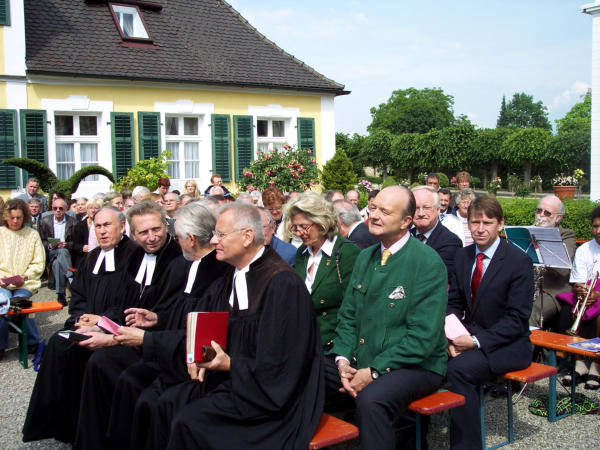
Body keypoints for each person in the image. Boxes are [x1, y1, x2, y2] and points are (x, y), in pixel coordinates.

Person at [150, 202, 324, 449]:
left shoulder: (282, 283)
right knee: (164, 404)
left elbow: (282, 365)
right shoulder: (232, 273)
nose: (213, 241)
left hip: (270, 398)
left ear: (247, 236)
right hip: (233, 381)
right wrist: (199, 354)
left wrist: (231, 364)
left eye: (221, 235)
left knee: (188, 422)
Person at [75, 203, 227, 450]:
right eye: (143, 232)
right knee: (106, 367)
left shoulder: (215, 271)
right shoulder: (183, 263)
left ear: (189, 239)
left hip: (182, 356)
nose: (154, 237)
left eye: (163, 231)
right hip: (164, 341)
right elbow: (173, 310)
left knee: (133, 382)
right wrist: (157, 318)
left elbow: (202, 331)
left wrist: (138, 338)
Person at [329, 186, 448, 449]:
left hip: (415, 365)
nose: (374, 215)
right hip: (362, 358)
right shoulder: (365, 257)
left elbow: (422, 339)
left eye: (385, 211)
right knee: (305, 373)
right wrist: (343, 360)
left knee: (372, 400)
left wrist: (373, 371)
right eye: (373, 208)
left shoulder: (427, 262)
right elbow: (348, 316)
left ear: (406, 221)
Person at [23, 207, 139, 444]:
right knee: (57, 343)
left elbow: (130, 301)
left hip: (113, 329)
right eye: (98, 226)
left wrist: (100, 323)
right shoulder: (91, 258)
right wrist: (79, 318)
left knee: (87, 354)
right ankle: (63, 425)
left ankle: (89, 432)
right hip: (86, 325)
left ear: (122, 227)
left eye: (107, 225)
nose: (102, 231)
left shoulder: (135, 256)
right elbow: (78, 295)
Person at [446, 196, 533, 450]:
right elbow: (453, 303)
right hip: (468, 337)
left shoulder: (519, 262)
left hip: (507, 344)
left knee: (459, 370)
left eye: (487, 222)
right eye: (475, 222)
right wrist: (451, 338)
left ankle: (466, 446)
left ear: (500, 224)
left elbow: (517, 319)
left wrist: (474, 342)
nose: (480, 229)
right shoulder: (462, 256)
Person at [284, 193, 360, 347]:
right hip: (304, 341)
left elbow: (353, 308)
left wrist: (343, 352)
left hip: (332, 345)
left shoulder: (347, 253)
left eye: (304, 226)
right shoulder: (302, 252)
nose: (298, 233)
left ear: (321, 222)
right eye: (295, 227)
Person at [557, 206, 600, 389]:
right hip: (588, 296)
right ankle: (579, 362)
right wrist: (580, 290)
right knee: (568, 311)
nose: (598, 231)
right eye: (595, 226)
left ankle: (597, 365)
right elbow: (578, 281)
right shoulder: (584, 249)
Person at [0, 199, 45, 360]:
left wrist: (24, 276)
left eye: (18, 217)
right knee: (2, 305)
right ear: (6, 216)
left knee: (22, 304)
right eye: (12, 217)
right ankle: (1, 345)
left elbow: (39, 262)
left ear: (24, 216)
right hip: (2, 283)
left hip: (25, 282)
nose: (15, 221)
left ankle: (31, 342)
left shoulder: (32, 234)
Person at [529, 195, 576, 329]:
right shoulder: (527, 232)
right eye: (539, 211)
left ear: (558, 218)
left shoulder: (566, 235)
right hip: (527, 286)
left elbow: (563, 268)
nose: (541, 215)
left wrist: (540, 241)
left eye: (547, 213)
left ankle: (528, 343)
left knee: (533, 312)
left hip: (552, 289)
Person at [411, 186, 462, 280]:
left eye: (426, 207)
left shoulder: (451, 242)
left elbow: (435, 277)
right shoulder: (403, 236)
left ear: (438, 210)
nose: (421, 213)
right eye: (416, 208)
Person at [38, 197, 79, 304]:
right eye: (55, 208)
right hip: (51, 252)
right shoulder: (44, 221)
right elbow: (41, 241)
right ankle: (70, 276)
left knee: (58, 262)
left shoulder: (73, 222)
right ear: (52, 208)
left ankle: (60, 294)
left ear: (66, 209)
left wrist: (67, 244)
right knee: (61, 253)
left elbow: (76, 242)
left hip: (67, 253)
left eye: (61, 208)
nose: (58, 210)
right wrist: (50, 245)